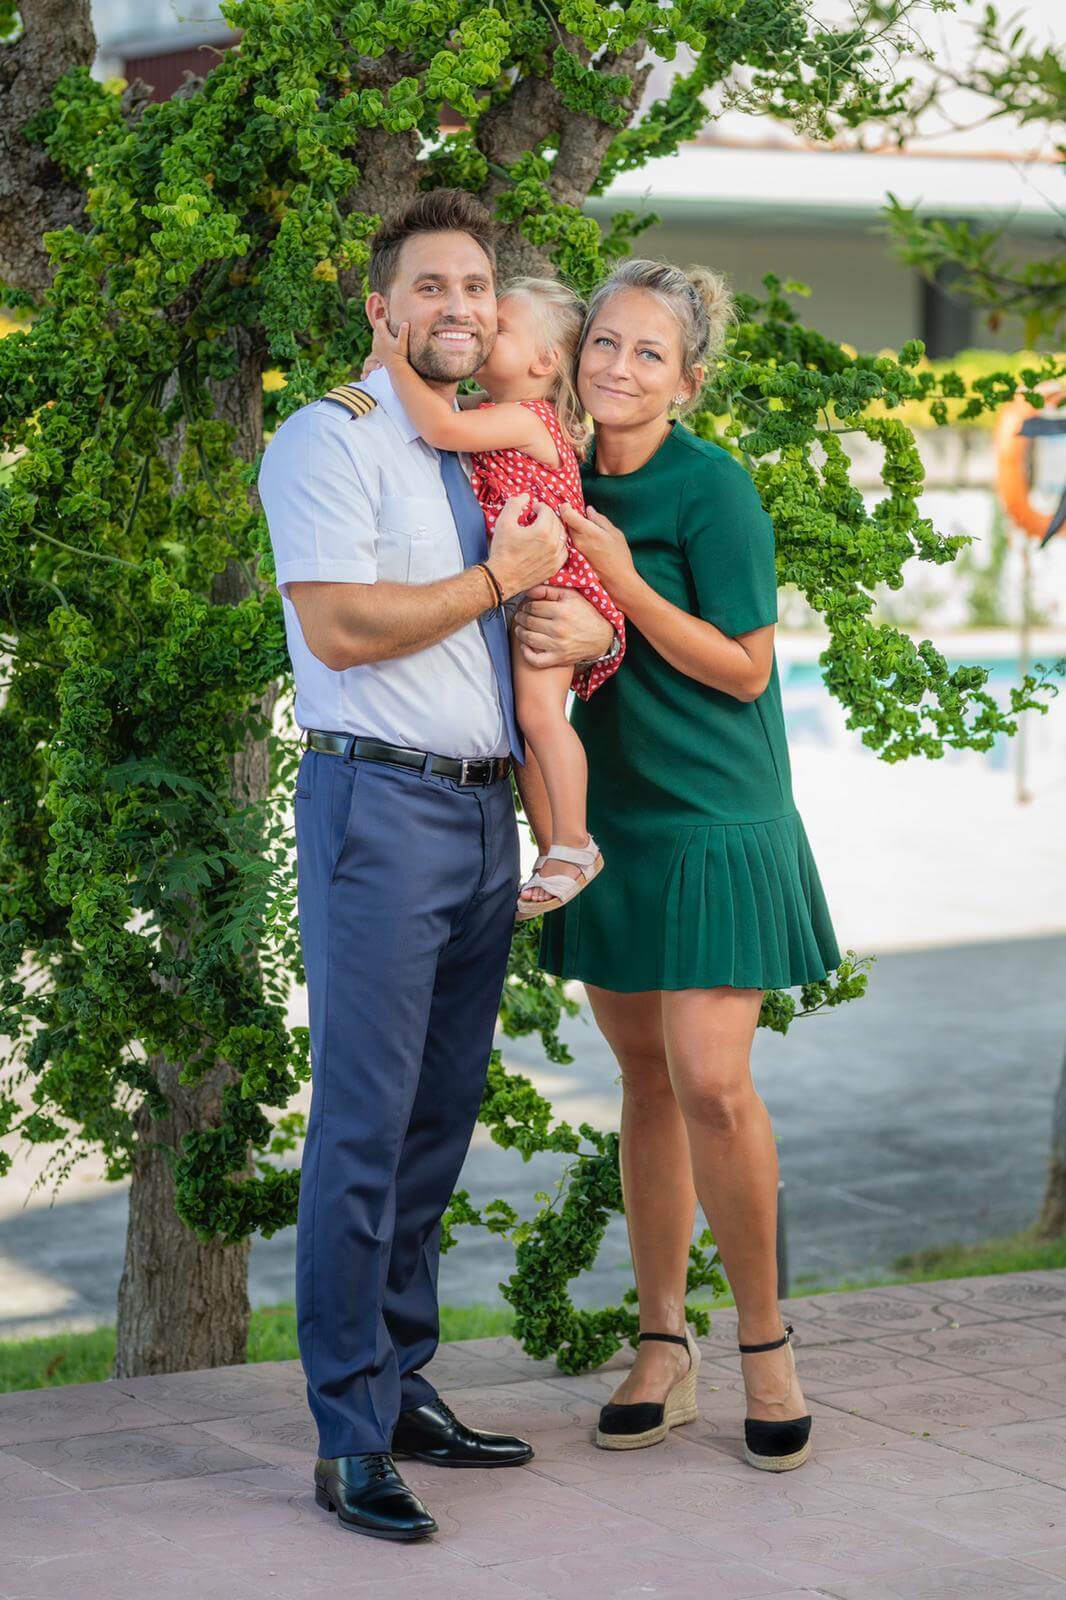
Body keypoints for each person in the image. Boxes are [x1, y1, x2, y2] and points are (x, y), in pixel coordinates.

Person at [257, 188, 617, 1542]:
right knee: (360, 1130)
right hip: (378, 814)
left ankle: (400, 1383)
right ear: (380, 309)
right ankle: (347, 1438)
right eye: (431, 288)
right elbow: (345, 629)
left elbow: (546, 616)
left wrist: (584, 630)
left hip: (479, 819)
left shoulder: (471, 456)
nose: (459, 308)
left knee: (431, 1123)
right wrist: (497, 579)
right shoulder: (331, 442)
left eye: (476, 287)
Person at [533, 258, 843, 1471]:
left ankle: (765, 1344)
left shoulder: (712, 489)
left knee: (711, 1079)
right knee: (647, 1084)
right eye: (603, 343)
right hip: (615, 815)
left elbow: (748, 666)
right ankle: (663, 1346)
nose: (615, 368)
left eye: (646, 354)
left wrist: (620, 591)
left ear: (689, 380)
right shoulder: (544, 474)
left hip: (716, 812)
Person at [369, 277, 626, 922]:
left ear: (543, 363)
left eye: (501, 327)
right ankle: (553, 844)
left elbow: (434, 426)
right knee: (524, 728)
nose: (484, 330)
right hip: (526, 585)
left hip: (553, 589)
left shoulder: (528, 417)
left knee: (541, 720)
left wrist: (396, 358)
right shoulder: (491, 407)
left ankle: (575, 842)